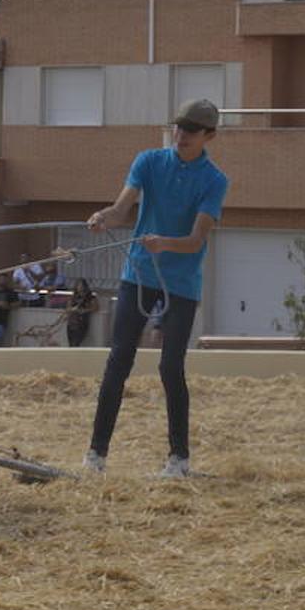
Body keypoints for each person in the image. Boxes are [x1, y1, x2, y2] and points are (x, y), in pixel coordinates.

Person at [82, 98, 228, 478]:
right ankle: (95, 456)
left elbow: (196, 240)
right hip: (138, 273)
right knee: (118, 361)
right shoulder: (148, 161)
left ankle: (178, 460)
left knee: (170, 367)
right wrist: (103, 218)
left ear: (209, 135)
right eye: (179, 127)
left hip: (181, 281)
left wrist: (165, 242)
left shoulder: (214, 181)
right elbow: (121, 209)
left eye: (191, 130)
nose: (181, 135)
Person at [65, 278, 98, 347]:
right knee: (71, 342)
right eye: (78, 285)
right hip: (72, 322)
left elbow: (95, 307)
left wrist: (84, 310)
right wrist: (72, 309)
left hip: (81, 322)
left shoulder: (90, 297)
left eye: (81, 285)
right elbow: (68, 308)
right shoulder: (74, 297)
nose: (79, 287)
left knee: (76, 342)